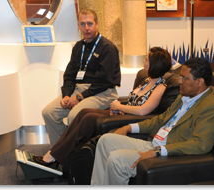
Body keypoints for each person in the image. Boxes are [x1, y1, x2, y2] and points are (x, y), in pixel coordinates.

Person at [91, 58, 214, 185]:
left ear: (200, 82)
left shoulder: (210, 106)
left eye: (184, 78)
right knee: (105, 140)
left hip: (168, 153)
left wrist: (159, 151)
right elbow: (161, 120)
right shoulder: (184, 95)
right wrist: (129, 127)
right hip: (153, 143)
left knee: (116, 160)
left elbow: (201, 144)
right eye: (180, 77)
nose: (180, 82)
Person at [33, 47, 172, 167]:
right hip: (122, 113)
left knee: (88, 118)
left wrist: (120, 106)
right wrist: (120, 107)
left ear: (155, 64)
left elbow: (143, 111)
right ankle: (56, 153)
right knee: (84, 112)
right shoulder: (147, 80)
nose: (143, 61)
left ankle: (53, 156)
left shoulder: (160, 86)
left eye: (146, 59)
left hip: (130, 119)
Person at [42, 9, 121, 146]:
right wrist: (66, 95)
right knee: (48, 112)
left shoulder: (108, 47)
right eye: (82, 24)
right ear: (78, 26)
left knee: (74, 115)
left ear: (97, 24)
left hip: (102, 93)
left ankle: (70, 155)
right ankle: (60, 153)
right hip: (78, 91)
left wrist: (79, 97)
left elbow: (104, 81)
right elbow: (69, 75)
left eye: (90, 24)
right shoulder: (78, 47)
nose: (86, 28)